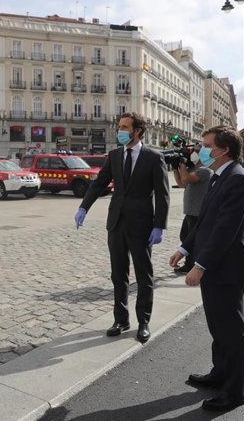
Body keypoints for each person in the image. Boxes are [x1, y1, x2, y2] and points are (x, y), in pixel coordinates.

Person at [169, 126, 244, 412]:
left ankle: (233, 392)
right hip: (214, 263)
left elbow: (224, 230)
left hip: (227, 266)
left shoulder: (239, 179)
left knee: (231, 331)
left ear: (224, 150)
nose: (201, 150)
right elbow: (204, 221)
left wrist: (200, 265)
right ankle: (220, 373)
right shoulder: (220, 176)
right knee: (217, 326)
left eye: (207, 145)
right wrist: (184, 248)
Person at [74, 112, 169, 343]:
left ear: (137, 131)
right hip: (116, 223)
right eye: (119, 126)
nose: (120, 131)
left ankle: (143, 321)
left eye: (125, 127)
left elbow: (163, 195)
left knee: (143, 275)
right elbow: (99, 183)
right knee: (118, 274)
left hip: (142, 225)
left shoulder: (153, 158)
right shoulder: (115, 155)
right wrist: (84, 207)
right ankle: (121, 319)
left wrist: (159, 226)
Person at [172, 160, 213, 273]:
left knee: (194, 241)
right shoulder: (193, 171)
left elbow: (185, 179)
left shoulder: (205, 171)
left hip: (198, 213)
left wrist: (183, 166)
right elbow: (181, 183)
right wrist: (176, 168)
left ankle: (195, 265)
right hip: (190, 213)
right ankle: (189, 264)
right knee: (185, 237)